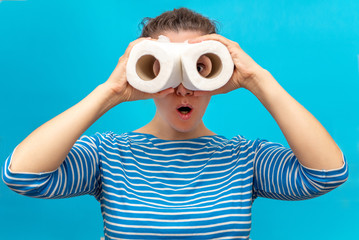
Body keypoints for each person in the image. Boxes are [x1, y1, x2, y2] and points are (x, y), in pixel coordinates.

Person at [2, 7, 348, 240]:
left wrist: (258, 78)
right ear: (147, 71)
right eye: (165, 70)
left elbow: (327, 174)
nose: (184, 88)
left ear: (218, 73)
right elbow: (23, 176)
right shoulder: (108, 154)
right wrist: (111, 91)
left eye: (199, 69)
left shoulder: (245, 158)